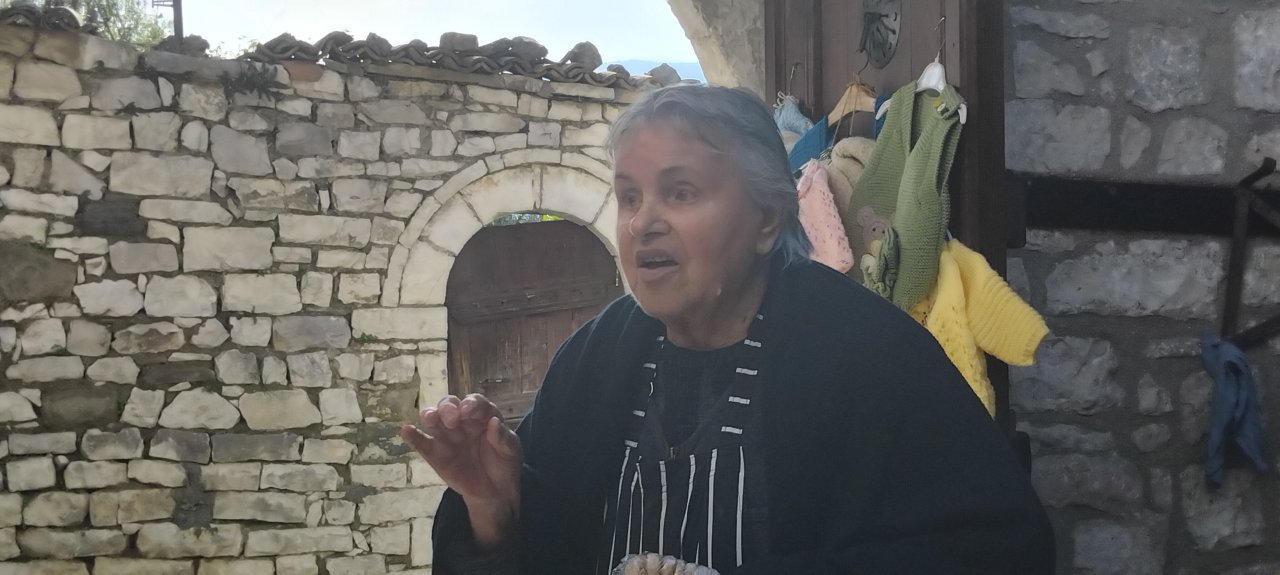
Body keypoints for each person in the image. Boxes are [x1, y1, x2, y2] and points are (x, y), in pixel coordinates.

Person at [401, 85, 1055, 574]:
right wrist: (495, 512)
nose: (642, 222)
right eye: (629, 196)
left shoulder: (869, 353)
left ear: (767, 219)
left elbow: (1001, 551)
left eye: (680, 192)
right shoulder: (595, 361)